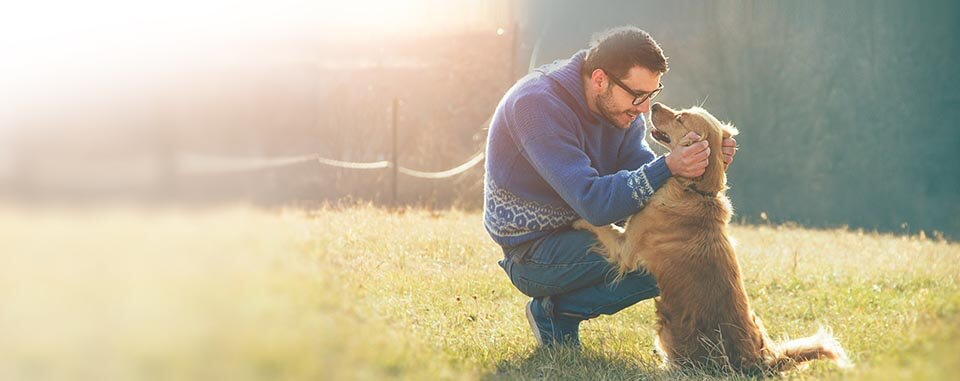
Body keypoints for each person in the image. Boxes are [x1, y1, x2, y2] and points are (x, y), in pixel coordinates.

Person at [482, 26, 738, 347]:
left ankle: (557, 313)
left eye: (651, 95)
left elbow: (642, 181)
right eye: (637, 96)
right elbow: (595, 205)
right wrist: (669, 165)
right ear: (601, 79)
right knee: (663, 258)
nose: (645, 108)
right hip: (533, 253)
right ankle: (555, 314)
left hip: (580, 230)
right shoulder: (537, 107)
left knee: (679, 254)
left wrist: (704, 164)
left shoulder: (621, 111)